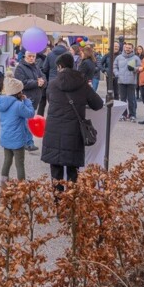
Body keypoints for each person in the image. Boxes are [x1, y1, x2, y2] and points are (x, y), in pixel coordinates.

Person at [41, 53, 104, 189]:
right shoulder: (82, 84)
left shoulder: (52, 85)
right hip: (74, 133)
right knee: (72, 172)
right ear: (73, 65)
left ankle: (59, 204)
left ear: (59, 66)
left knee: (56, 171)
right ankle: (70, 203)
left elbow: (50, 101)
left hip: (54, 131)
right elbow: (98, 104)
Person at [0, 77, 35, 183]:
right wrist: (26, 101)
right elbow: (30, 114)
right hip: (17, 140)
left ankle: (3, 183)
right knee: (19, 164)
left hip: (5, 137)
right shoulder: (18, 105)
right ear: (18, 92)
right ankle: (22, 187)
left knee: (7, 161)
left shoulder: (0, 102)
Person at [113, 42, 141, 122]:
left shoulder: (136, 58)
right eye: (126, 47)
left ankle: (132, 115)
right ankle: (123, 115)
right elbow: (114, 66)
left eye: (129, 48)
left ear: (132, 49)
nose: (127, 49)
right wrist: (117, 74)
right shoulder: (119, 57)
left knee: (131, 99)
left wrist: (134, 69)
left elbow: (140, 68)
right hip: (121, 81)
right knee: (122, 99)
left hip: (131, 82)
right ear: (124, 48)